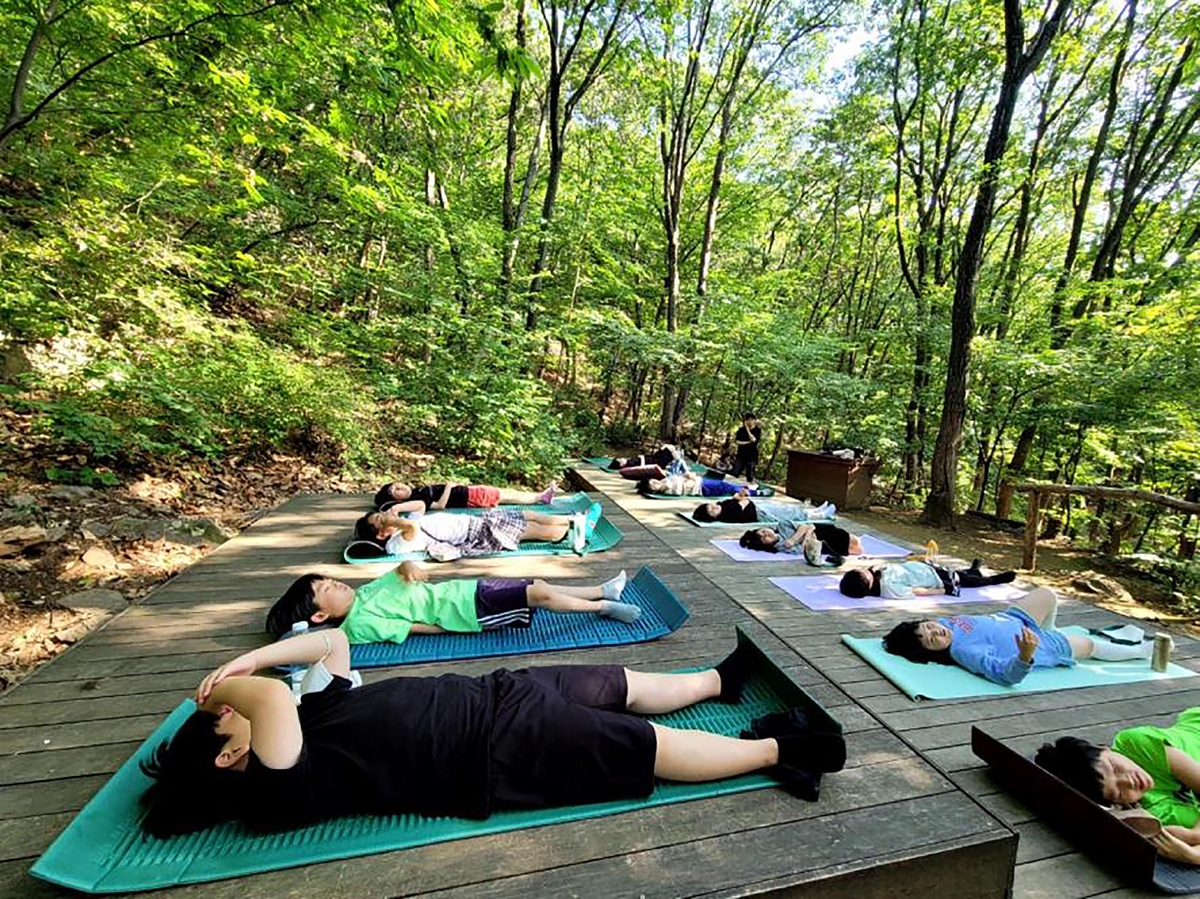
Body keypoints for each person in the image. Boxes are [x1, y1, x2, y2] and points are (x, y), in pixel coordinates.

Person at [137, 628, 847, 836]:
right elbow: (264, 696)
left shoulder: (309, 715)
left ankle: (716, 684)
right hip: (495, 749)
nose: (229, 707)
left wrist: (262, 654)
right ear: (233, 751)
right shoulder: (274, 784)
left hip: (493, 695)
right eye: (224, 720)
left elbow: (332, 643)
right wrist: (230, 681)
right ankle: (783, 749)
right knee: (643, 749)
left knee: (614, 683)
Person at [266, 563, 642, 643]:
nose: (337, 584)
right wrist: (459, 627)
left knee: (539, 585)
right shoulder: (359, 623)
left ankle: (599, 591)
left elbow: (400, 571)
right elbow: (413, 629)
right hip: (468, 611)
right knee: (539, 596)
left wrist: (408, 566)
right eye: (328, 589)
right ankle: (603, 608)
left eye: (332, 579)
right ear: (321, 614)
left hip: (466, 589)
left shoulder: (364, 592)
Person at [879, 587, 1154, 686]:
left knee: (1046, 593)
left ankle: (1050, 628)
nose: (935, 631)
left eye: (927, 626)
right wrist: (1025, 654)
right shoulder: (965, 653)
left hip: (1016, 619)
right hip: (1039, 646)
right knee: (1090, 645)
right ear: (933, 652)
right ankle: (1141, 652)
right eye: (931, 640)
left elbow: (922, 629)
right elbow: (1004, 676)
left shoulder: (941, 623)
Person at [1034, 706, 1199, 863]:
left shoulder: (1135, 744)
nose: (1129, 782)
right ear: (1116, 804)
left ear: (1104, 749)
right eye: (1117, 792)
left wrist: (1194, 839)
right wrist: (1192, 854)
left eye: (1114, 767)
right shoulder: (1156, 813)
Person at [355, 503, 602, 560]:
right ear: (381, 533)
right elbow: (412, 527)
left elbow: (419, 506)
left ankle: (573, 519)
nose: (388, 516)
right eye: (381, 518)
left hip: (477, 520)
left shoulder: (403, 520)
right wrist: (396, 521)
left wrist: (396, 509)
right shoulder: (396, 543)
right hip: (477, 534)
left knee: (527, 514)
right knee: (534, 530)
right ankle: (578, 531)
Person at [839, 558, 1017, 600]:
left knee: (960, 574)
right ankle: (994, 579)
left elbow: (879, 566)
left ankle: (973, 569)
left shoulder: (876, 571)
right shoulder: (888, 588)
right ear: (868, 583)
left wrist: (873, 568)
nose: (865, 569)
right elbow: (916, 591)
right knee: (966, 581)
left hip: (925, 567)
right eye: (863, 572)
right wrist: (940, 591)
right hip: (934, 578)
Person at [374, 481, 558, 513]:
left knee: (506, 493)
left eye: (397, 485)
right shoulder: (416, 500)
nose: (400, 488)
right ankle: (541, 497)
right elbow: (438, 506)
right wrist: (448, 487)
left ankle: (540, 496)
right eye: (395, 491)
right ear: (397, 500)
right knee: (506, 495)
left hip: (468, 492)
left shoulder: (416, 492)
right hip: (469, 497)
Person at [739, 521, 863, 565]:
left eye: (763, 531)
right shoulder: (781, 546)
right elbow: (802, 549)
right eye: (763, 538)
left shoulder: (782, 525)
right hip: (819, 542)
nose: (766, 534)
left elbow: (803, 526)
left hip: (816, 530)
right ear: (764, 545)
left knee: (853, 541)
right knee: (855, 550)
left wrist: (795, 539)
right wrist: (805, 535)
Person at [692, 496, 836, 526]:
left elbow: (738, 498)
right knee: (787, 513)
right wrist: (742, 499)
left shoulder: (721, 504)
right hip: (760, 513)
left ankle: (816, 510)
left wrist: (740, 496)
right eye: (711, 511)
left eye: (710, 506)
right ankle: (820, 515)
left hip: (757, 505)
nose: (713, 507)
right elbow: (741, 504)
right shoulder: (726, 515)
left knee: (786, 508)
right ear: (713, 517)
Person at [638, 472, 764, 497]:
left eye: (653, 480)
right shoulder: (668, 488)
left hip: (700, 482)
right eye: (653, 485)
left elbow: (682, 478)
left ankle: (748, 488)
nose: (656, 482)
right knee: (726, 488)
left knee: (726, 486)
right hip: (702, 488)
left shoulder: (665, 481)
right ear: (653, 491)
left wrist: (687, 475)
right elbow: (686, 486)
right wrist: (690, 477)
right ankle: (754, 492)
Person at [728, 413, 762, 483]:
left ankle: (749, 489)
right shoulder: (741, 430)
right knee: (735, 471)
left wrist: (748, 430)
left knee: (750, 474)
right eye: (748, 420)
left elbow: (754, 440)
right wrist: (748, 442)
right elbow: (737, 442)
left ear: (754, 421)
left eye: (751, 420)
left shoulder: (757, 430)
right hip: (741, 454)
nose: (750, 421)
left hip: (752, 455)